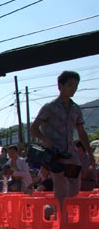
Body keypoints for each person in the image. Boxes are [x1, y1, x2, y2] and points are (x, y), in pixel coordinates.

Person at [30, 70, 91, 211]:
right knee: (60, 187)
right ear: (60, 86)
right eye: (70, 85)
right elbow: (34, 128)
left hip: (71, 154)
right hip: (55, 155)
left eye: (76, 85)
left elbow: (82, 133)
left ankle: (52, 209)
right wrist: (46, 141)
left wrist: (89, 153)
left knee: (75, 187)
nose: (73, 89)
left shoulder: (76, 109)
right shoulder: (49, 108)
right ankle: (63, 220)